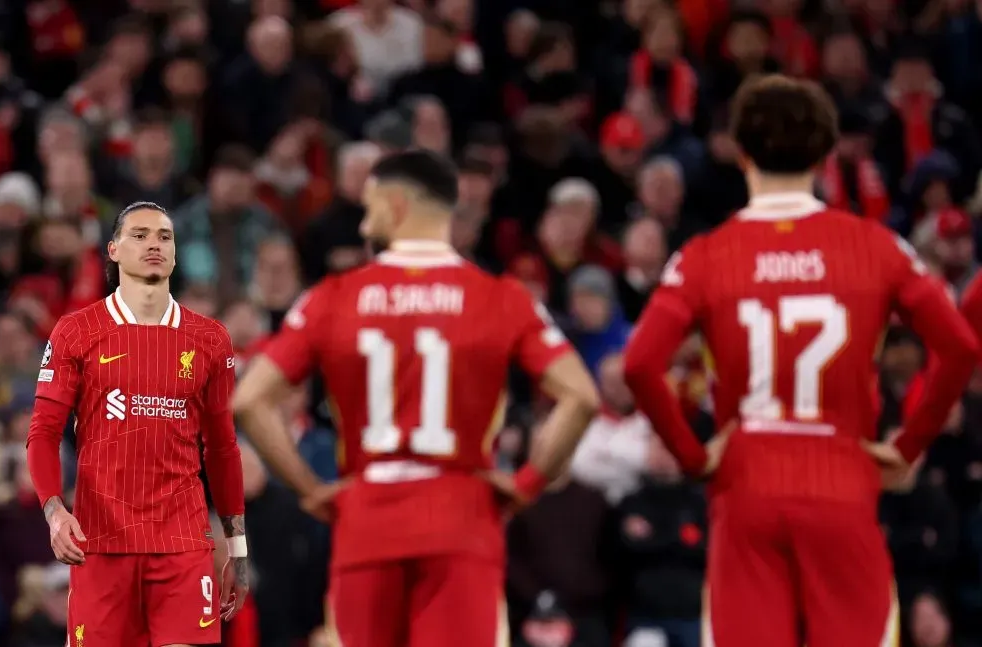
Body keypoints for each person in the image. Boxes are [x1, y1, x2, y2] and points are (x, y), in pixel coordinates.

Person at [621, 75, 981, 647]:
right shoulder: (875, 246)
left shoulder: (706, 255)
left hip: (747, 481)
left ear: (740, 153)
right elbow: (961, 347)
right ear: (824, 152)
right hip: (842, 476)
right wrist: (909, 445)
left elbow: (639, 363)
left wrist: (692, 456)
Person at [232, 149, 600, 647]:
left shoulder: (334, 296)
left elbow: (249, 400)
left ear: (400, 204)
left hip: (366, 516)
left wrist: (309, 490)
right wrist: (528, 484)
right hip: (462, 515)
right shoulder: (500, 297)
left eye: (372, 207)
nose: (364, 223)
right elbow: (580, 396)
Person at [25, 201, 249, 647]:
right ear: (113, 249)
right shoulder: (76, 331)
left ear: (176, 253)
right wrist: (54, 512)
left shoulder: (210, 338)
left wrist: (237, 549)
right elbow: (43, 433)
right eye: (141, 235)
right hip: (102, 543)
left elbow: (222, 448)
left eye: (165, 237)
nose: (154, 244)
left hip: (182, 544)